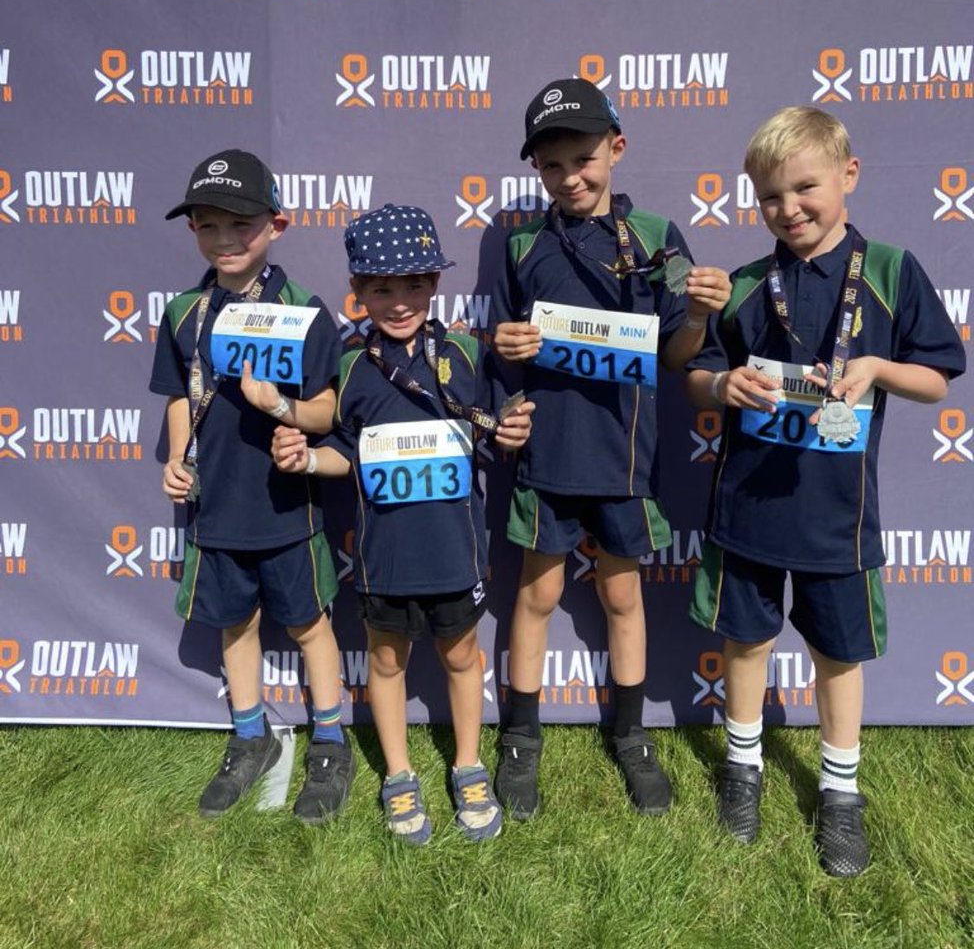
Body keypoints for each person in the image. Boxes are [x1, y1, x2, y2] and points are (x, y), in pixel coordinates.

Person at [685, 106, 966, 876]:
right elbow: (700, 377)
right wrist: (724, 384)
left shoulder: (890, 271)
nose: (789, 209)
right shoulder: (746, 284)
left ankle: (840, 794)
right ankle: (742, 772)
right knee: (744, 640)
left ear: (848, 176)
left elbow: (939, 379)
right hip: (746, 506)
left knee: (837, 655)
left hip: (838, 519)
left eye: (805, 187)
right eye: (771, 197)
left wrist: (877, 370)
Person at [490, 77, 731, 818]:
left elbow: (679, 353)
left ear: (616, 150)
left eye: (584, 158)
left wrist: (693, 315)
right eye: (553, 165)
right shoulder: (520, 242)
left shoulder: (659, 237)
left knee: (624, 596)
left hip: (626, 457)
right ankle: (522, 739)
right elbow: (501, 350)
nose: (571, 177)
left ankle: (631, 735)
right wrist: (505, 349)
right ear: (537, 170)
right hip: (550, 454)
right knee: (536, 595)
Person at [269, 204, 534, 844]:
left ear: (435, 284)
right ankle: (398, 773)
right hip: (384, 558)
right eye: (380, 287)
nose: (398, 301)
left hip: (457, 554)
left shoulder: (468, 353)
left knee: (463, 657)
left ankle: (468, 765)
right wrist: (308, 457)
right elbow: (345, 452)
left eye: (414, 283)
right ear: (356, 291)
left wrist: (514, 433)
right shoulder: (351, 366)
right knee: (385, 662)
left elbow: (502, 430)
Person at [150, 149, 351, 822]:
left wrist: (283, 410)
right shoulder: (182, 313)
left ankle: (329, 739)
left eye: (242, 223)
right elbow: (180, 397)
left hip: (287, 509)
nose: (226, 238)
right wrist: (177, 458)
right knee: (234, 625)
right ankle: (248, 737)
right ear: (194, 233)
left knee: (307, 624)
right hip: (217, 509)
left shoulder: (304, 310)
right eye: (209, 226)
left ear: (278, 225)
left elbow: (327, 411)